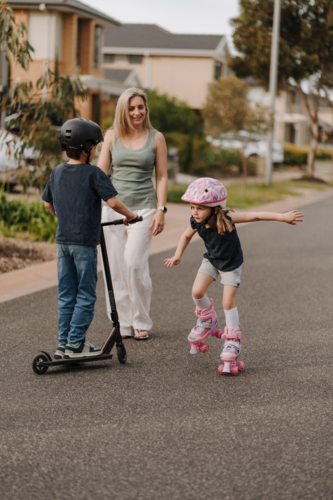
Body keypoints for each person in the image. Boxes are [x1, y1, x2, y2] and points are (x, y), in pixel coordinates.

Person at [164, 177, 304, 374]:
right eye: (192, 207)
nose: (195, 212)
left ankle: (232, 340)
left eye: (200, 208)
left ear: (215, 208)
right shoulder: (195, 221)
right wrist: (178, 255)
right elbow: (186, 236)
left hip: (230, 265)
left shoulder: (226, 217)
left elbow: (255, 215)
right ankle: (207, 320)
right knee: (196, 292)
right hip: (212, 260)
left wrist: (282, 217)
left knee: (227, 302)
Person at [42, 118, 136, 360]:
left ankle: (64, 344)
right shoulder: (94, 173)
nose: (95, 151)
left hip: (63, 242)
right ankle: (75, 344)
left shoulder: (57, 171)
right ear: (85, 148)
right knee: (85, 294)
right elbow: (113, 202)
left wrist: (65, 220)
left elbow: (47, 204)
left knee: (66, 294)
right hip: (84, 243)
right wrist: (131, 216)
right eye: (94, 146)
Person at [98, 88, 168, 340]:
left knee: (133, 263)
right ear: (122, 110)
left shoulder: (156, 137)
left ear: (146, 109)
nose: (137, 112)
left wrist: (161, 209)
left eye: (140, 107)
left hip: (144, 208)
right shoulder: (111, 136)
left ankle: (140, 321)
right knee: (115, 268)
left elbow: (161, 176)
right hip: (114, 209)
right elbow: (100, 173)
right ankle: (122, 323)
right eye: (131, 108)